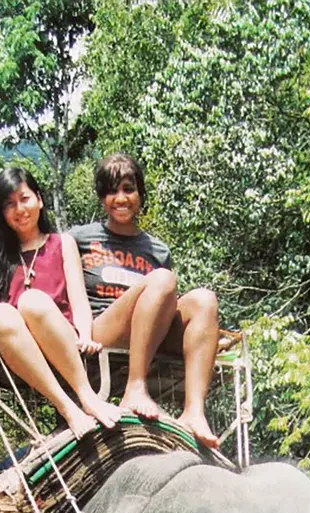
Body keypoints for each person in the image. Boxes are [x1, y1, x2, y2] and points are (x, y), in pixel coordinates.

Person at [71, 153, 220, 447]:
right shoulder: (80, 238)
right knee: (163, 279)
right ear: (102, 198)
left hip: (150, 334)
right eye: (112, 191)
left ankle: (193, 412)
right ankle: (135, 387)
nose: (121, 198)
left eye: (128, 189)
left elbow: (166, 302)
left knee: (205, 299)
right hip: (103, 330)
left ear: (140, 194)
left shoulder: (157, 249)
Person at [0, 166, 120, 441]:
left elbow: (78, 298)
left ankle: (86, 396)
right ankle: (67, 408)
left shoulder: (62, 243)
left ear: (39, 200)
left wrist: (86, 335)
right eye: (9, 204)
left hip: (61, 338)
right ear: (1, 213)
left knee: (31, 301)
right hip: (20, 345)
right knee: (2, 313)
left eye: (24, 198)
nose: (19, 209)